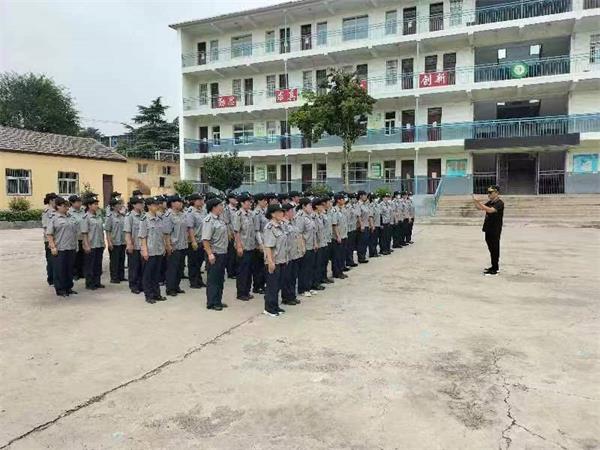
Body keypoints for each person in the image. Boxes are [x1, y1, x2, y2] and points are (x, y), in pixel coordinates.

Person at [46, 197, 79, 297]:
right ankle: (60, 289)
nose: (67, 208)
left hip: (71, 247)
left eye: (67, 206)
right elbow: (49, 234)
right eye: (64, 206)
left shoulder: (70, 217)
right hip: (60, 248)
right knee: (60, 269)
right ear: (58, 206)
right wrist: (53, 247)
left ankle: (68, 287)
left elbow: (75, 232)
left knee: (69, 269)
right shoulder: (54, 218)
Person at [202, 198, 229, 311]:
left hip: (222, 252)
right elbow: (205, 240)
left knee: (220, 278)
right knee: (213, 279)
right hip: (215, 253)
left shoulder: (219, 219)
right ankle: (212, 302)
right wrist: (210, 254)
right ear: (214, 207)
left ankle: (218, 300)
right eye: (220, 205)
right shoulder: (209, 220)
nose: (222, 208)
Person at [139, 197, 167, 303]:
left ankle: (156, 294)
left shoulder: (159, 218)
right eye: (154, 205)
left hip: (158, 250)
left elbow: (162, 235)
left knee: (156, 274)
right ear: (149, 206)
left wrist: (164, 247)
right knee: (148, 274)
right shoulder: (144, 219)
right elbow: (143, 236)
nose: (157, 206)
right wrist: (144, 250)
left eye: (157, 204)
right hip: (149, 251)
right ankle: (149, 295)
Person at [262, 203, 288, 317]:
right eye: (280, 212)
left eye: (282, 212)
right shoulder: (269, 227)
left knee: (278, 284)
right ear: (273, 214)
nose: (282, 214)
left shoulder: (280, 225)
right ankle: (269, 308)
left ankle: (275, 305)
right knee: (272, 285)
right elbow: (268, 246)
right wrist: (270, 262)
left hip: (281, 259)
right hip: (274, 260)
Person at [473, 185, 505, 275]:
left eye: (490, 192)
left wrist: (479, 203)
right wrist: (475, 201)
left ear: (496, 193)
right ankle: (493, 266)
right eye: (488, 192)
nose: (489, 194)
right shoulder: (490, 202)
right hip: (488, 228)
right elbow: (479, 208)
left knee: (495, 248)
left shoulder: (499, 203)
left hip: (495, 229)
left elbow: (490, 210)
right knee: (491, 248)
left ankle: (495, 268)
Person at [162, 195, 189, 296]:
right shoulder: (168, 215)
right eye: (179, 201)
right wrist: (168, 245)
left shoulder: (182, 214)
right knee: (172, 268)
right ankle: (170, 288)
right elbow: (166, 233)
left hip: (183, 245)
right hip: (174, 246)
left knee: (180, 268)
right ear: (172, 203)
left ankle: (176, 286)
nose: (181, 203)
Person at [233, 193, 256, 301]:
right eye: (248, 202)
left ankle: (247, 291)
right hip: (243, 247)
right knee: (242, 271)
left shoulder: (251, 214)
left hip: (251, 246)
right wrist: (239, 246)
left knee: (249, 270)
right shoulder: (238, 215)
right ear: (242, 203)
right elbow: (236, 231)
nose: (250, 203)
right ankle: (241, 293)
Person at [81, 196, 105, 290]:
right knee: (90, 265)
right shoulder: (86, 217)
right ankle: (90, 283)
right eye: (94, 204)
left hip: (99, 244)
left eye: (97, 204)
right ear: (89, 205)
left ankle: (97, 282)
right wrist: (86, 245)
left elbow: (101, 231)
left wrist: (103, 242)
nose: (96, 206)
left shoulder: (98, 216)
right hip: (91, 244)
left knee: (98, 264)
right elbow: (84, 233)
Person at [295, 197, 318, 298]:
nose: (311, 207)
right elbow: (299, 233)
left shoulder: (309, 216)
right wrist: (302, 247)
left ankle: (309, 286)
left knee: (310, 267)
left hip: (311, 245)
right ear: (304, 206)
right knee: (304, 269)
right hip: (305, 246)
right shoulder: (300, 217)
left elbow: (313, 231)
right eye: (309, 205)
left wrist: (315, 243)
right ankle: (302, 289)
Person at [281, 203, 302, 305]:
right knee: (287, 277)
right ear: (286, 212)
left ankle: (292, 295)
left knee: (293, 276)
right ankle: (286, 297)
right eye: (291, 211)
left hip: (295, 253)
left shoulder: (293, 222)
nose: (293, 213)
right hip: (287, 255)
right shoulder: (283, 224)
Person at [185, 193, 206, 289]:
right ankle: (193, 281)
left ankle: (199, 280)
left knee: (199, 261)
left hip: (202, 240)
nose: (202, 201)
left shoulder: (202, 211)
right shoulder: (190, 212)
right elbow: (190, 228)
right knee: (193, 262)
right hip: (195, 240)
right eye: (199, 200)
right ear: (193, 201)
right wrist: (193, 241)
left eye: (202, 199)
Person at [124, 196, 145, 294]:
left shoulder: (144, 215)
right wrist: (129, 244)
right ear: (133, 205)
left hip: (143, 246)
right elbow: (127, 232)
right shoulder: (129, 216)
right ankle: (134, 285)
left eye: (142, 203)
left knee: (142, 267)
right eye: (139, 203)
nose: (141, 205)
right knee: (134, 267)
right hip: (134, 245)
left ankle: (141, 284)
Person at [105, 198, 127, 283]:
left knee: (122, 259)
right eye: (118, 204)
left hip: (122, 241)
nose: (120, 206)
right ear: (113, 206)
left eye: (121, 204)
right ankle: (114, 277)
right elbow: (108, 230)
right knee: (115, 261)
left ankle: (121, 276)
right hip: (114, 241)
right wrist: (109, 242)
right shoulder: (110, 217)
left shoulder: (123, 216)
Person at [252, 193, 268, 295]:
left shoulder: (264, 211)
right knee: (258, 266)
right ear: (258, 201)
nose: (265, 202)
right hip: (260, 241)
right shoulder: (256, 213)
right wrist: (260, 244)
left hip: (266, 240)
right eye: (263, 200)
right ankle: (257, 286)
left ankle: (262, 284)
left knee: (263, 265)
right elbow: (256, 230)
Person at [331, 193, 348, 279]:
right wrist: (338, 236)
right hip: (338, 237)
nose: (344, 201)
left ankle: (341, 270)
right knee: (337, 255)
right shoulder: (334, 210)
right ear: (338, 200)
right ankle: (336, 272)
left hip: (344, 234)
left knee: (342, 254)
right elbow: (334, 224)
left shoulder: (343, 209)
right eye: (342, 199)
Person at [68, 195, 86, 280]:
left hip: (83, 237)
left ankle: (82, 272)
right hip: (75, 237)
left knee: (83, 256)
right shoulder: (69, 212)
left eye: (80, 202)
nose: (79, 203)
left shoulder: (83, 211)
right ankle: (75, 273)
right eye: (77, 202)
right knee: (75, 256)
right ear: (72, 203)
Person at [42, 192, 58, 286]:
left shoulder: (57, 210)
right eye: (55, 199)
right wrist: (49, 241)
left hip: (57, 239)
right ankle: (51, 279)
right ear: (51, 200)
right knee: (51, 260)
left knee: (56, 260)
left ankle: (57, 278)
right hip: (49, 240)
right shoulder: (47, 212)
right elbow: (45, 227)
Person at [223, 193, 239, 279]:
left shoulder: (236, 209)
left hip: (237, 234)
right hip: (231, 233)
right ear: (229, 199)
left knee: (236, 254)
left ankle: (235, 270)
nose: (236, 200)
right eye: (234, 198)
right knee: (231, 254)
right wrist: (229, 233)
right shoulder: (227, 209)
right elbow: (226, 222)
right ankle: (231, 272)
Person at [356, 191, 372, 263]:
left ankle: (363, 256)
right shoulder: (358, 205)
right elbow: (358, 216)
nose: (365, 197)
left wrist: (370, 224)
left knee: (365, 241)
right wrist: (361, 225)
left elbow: (369, 215)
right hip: (362, 226)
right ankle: (361, 257)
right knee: (361, 242)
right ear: (360, 196)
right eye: (364, 195)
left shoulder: (365, 204)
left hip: (366, 225)